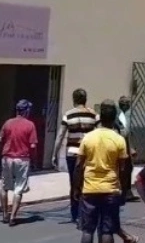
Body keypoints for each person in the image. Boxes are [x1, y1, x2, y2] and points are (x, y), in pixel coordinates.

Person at [76, 100, 137, 243]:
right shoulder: (119, 140)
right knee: (107, 230)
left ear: (100, 117)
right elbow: (123, 168)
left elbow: (79, 165)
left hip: (90, 189)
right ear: (114, 117)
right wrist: (122, 189)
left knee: (87, 230)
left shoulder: (88, 138)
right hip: (110, 190)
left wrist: (76, 188)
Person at [53, 88, 97, 224]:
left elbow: (60, 135)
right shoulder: (93, 115)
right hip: (88, 154)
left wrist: (54, 154)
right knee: (86, 182)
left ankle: (75, 214)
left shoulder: (68, 115)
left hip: (72, 153)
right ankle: (86, 212)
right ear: (85, 99)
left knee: (74, 182)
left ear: (74, 100)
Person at [0, 99, 38, 226]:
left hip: (7, 158)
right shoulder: (30, 125)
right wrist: (34, 161)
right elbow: (33, 146)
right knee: (18, 189)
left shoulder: (7, 123)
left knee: (4, 186)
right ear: (26, 111)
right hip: (23, 159)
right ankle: (13, 217)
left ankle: (4, 214)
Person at [114, 95, 138, 203]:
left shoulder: (126, 115)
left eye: (128, 103)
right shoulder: (118, 115)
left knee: (128, 168)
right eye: (125, 103)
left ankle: (127, 191)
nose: (127, 105)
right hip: (120, 144)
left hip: (125, 144)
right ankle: (122, 192)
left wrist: (131, 147)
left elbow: (128, 134)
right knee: (123, 169)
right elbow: (123, 132)